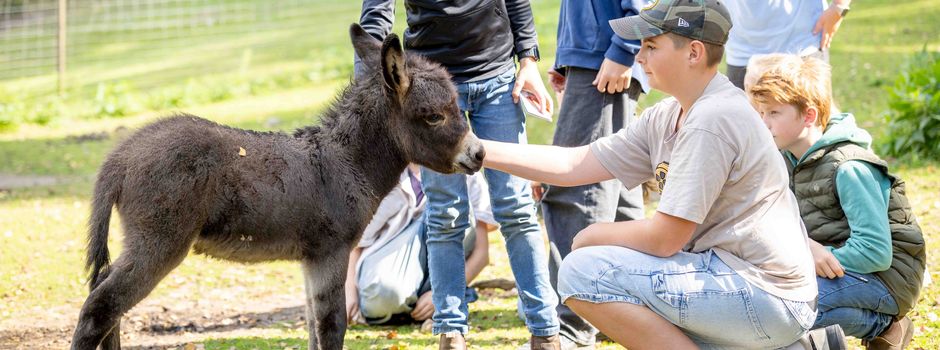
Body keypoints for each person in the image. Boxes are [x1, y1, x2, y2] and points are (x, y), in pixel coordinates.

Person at [479, 1, 824, 348]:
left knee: (583, 271)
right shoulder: (671, 113)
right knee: (600, 267)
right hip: (739, 283)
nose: (639, 57)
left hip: (767, 295)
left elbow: (665, 238)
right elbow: (576, 164)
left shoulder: (713, 119)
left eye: (651, 46)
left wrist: (595, 233)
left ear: (693, 52)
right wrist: (476, 151)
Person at [358, 1, 561, 348]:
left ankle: (545, 331)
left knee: (516, 209)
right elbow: (376, 13)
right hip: (429, 86)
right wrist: (369, 87)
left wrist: (528, 59)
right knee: (445, 215)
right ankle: (450, 331)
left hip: (496, 81)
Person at [748, 54, 926, 350]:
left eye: (774, 113)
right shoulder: (786, 156)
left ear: (809, 116)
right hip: (836, 265)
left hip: (888, 278)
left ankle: (885, 324)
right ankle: (851, 333)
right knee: (769, 299)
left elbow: (876, 252)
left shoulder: (849, 168)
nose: (764, 123)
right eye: (761, 113)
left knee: (782, 305)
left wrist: (805, 260)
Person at [540, 1, 647, 348]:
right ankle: (628, 309)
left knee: (577, 192)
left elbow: (641, 7)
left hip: (604, 63)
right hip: (591, 59)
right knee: (619, 196)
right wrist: (565, 58)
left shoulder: (614, 55)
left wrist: (622, 52)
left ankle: (573, 325)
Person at [345, 166, 496, 327]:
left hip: (438, 265)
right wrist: (348, 293)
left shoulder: (466, 171)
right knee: (381, 298)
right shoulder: (380, 171)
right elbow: (355, 244)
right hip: (387, 260)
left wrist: (442, 294)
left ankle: (443, 297)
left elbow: (481, 253)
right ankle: (414, 304)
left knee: (453, 206)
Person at [723, 0, 853, 89]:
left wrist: (839, 7)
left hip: (802, 44)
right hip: (741, 51)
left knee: (814, 124)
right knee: (745, 128)